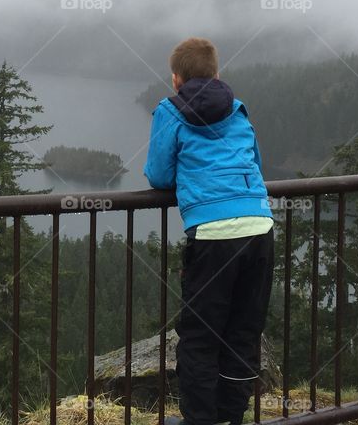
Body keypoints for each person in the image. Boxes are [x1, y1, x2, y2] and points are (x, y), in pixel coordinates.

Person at [144, 37, 274, 425]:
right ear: (218, 74)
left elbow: (159, 174)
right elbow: (256, 163)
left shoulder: (170, 110)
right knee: (243, 332)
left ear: (175, 78)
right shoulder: (237, 110)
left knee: (200, 337)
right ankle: (230, 416)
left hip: (215, 235)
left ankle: (199, 420)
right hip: (259, 226)